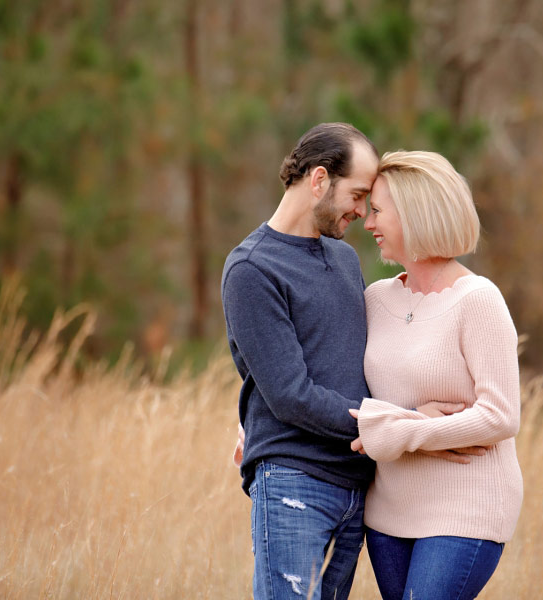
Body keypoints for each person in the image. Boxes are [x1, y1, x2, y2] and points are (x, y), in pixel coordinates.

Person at [222, 125, 473, 599]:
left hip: (357, 490)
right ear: (319, 180)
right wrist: (405, 426)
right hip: (293, 483)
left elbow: (368, 365)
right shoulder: (252, 269)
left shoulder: (342, 259)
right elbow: (291, 396)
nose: (362, 211)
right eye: (357, 195)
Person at [348, 150, 523, 600]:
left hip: (465, 511)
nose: (367, 224)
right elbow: (328, 377)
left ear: (415, 214)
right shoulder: (374, 300)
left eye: (378, 211)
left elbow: (501, 417)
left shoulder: (478, 300)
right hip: (387, 514)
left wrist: (410, 431)